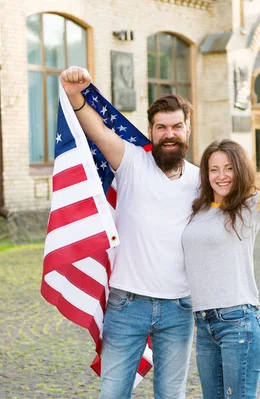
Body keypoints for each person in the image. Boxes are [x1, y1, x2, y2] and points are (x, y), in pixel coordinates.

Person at [60, 66, 199, 399]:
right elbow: (97, 131)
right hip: (127, 304)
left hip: (179, 308)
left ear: (188, 129)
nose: (169, 134)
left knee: (171, 395)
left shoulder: (201, 180)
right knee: (112, 393)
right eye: (161, 127)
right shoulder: (131, 161)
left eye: (176, 126)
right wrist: (73, 92)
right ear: (150, 130)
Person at [182, 95, 260, 399]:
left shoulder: (250, 209)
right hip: (204, 326)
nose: (221, 176)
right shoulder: (196, 210)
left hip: (239, 324)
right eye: (214, 169)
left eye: (228, 168)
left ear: (239, 170)